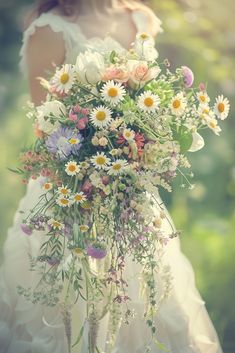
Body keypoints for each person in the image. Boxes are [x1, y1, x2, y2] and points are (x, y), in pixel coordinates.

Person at [0, 0, 224, 352]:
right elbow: (46, 127)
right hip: (71, 189)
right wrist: (95, 162)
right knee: (70, 306)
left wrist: (150, 144)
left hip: (130, 188)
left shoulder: (141, 18)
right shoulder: (49, 29)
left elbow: (152, 96)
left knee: (149, 296)